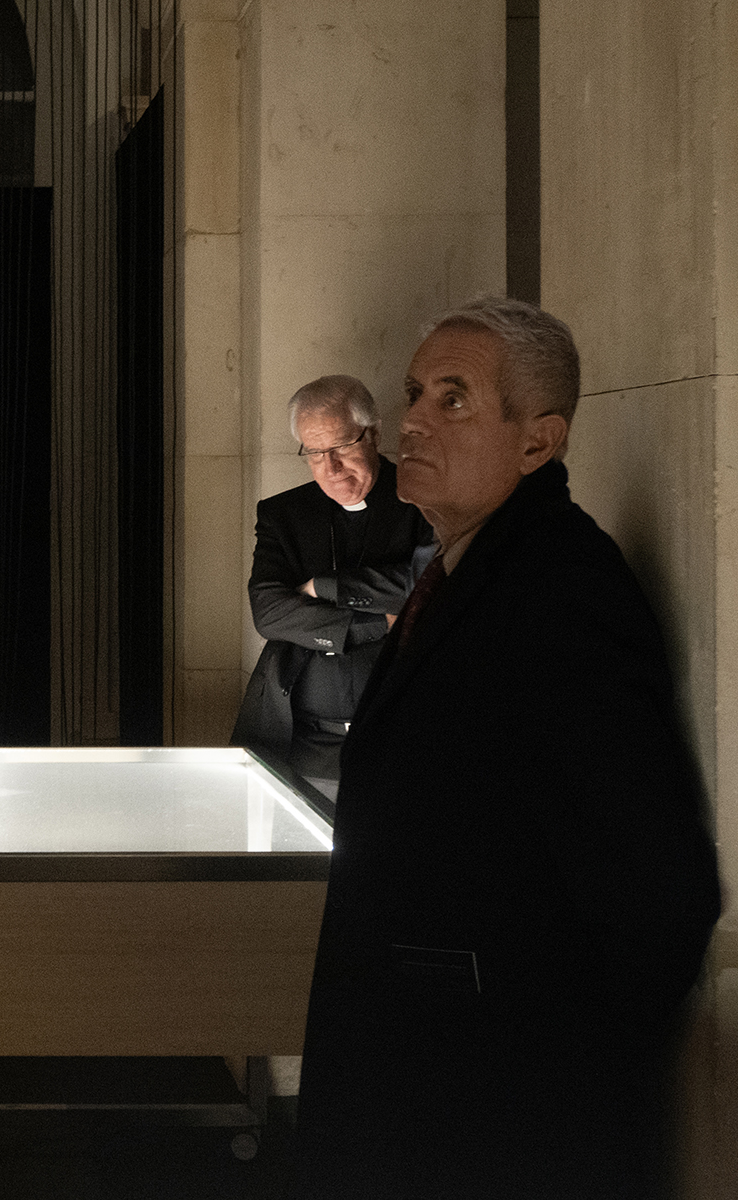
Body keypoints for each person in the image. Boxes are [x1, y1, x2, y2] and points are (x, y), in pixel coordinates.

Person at [292, 296, 722, 1199]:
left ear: (538, 443)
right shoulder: (468, 572)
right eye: (416, 393)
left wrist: (542, 1076)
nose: (414, 419)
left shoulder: (562, 592)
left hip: (495, 1114)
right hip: (428, 1082)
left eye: (454, 398)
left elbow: (660, 896)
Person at [231, 375, 430, 800]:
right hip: (301, 740)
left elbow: (427, 584)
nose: (331, 467)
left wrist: (325, 586)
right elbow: (268, 611)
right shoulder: (284, 514)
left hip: (403, 739)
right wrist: (376, 624)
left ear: (373, 434)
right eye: (315, 453)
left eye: (341, 446)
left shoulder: (424, 503)